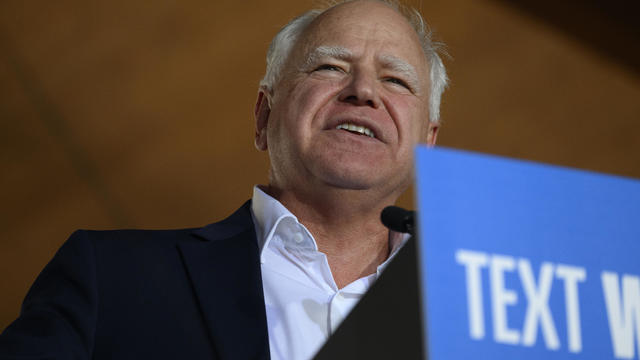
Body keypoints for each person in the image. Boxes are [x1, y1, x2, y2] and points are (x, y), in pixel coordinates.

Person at [0, 1, 447, 359]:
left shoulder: (483, 311)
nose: (363, 90)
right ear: (263, 115)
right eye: (329, 66)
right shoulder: (110, 278)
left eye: (397, 81)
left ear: (428, 142)